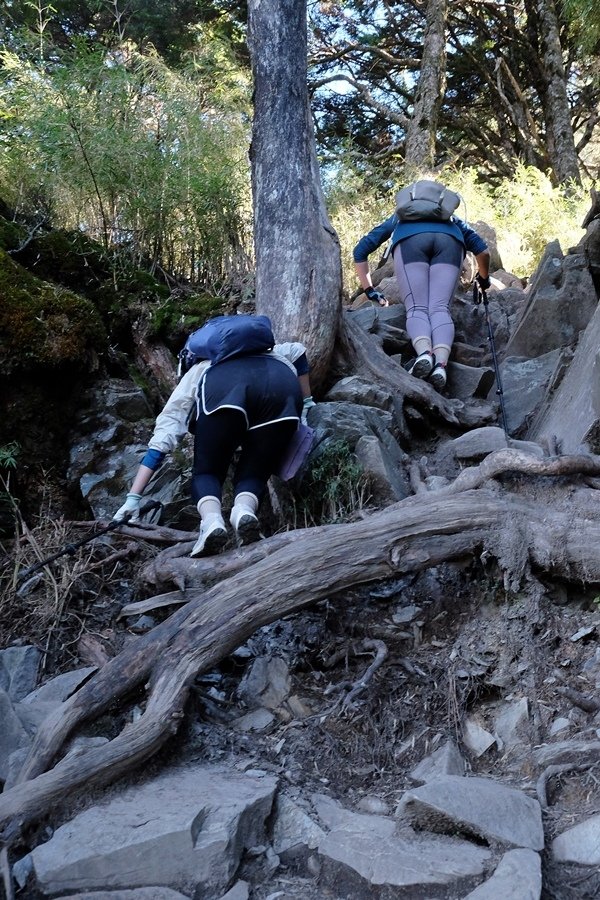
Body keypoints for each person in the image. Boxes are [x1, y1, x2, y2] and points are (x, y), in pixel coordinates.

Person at [113, 340, 315, 557]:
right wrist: (308, 402)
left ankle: (211, 522)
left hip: (224, 393)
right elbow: (298, 351)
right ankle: (243, 512)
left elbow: (165, 433)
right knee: (256, 469)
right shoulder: (271, 351)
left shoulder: (201, 369)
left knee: (206, 472)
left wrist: (133, 498)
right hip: (282, 388)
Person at [353, 190, 491, 391]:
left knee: (417, 308)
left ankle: (425, 354)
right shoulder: (453, 220)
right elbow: (483, 251)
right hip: (450, 242)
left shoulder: (399, 218)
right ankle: (441, 366)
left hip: (410, 242)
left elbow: (360, 250)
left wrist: (369, 290)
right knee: (440, 308)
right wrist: (484, 279)